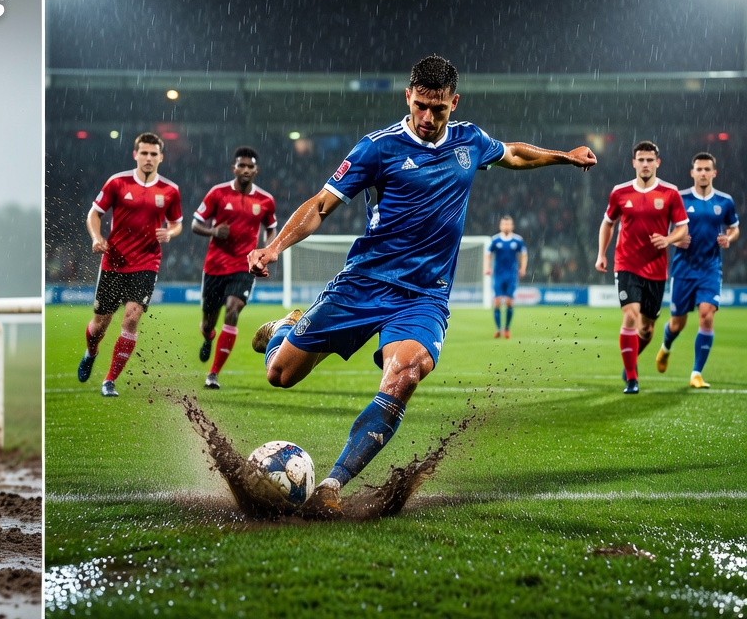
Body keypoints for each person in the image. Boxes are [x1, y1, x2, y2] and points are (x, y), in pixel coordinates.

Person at [246, 55, 596, 517]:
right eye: (421, 106)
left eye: (439, 109)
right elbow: (321, 205)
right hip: (364, 283)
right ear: (408, 96)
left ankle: (332, 484)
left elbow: (512, 153)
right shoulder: (377, 148)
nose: (428, 118)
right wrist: (274, 247)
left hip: (424, 296)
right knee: (281, 375)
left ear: (455, 102)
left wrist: (564, 156)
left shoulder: (470, 141)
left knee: (406, 373)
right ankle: (284, 329)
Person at [79, 132, 183, 397]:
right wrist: (96, 237)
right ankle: (91, 352)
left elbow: (177, 223)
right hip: (114, 261)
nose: (148, 158)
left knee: (132, 317)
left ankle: (109, 380)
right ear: (135, 155)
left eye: (153, 154)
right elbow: (94, 214)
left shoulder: (170, 190)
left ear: (161, 157)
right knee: (100, 324)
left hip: (147, 262)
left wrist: (170, 233)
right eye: (144, 153)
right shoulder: (117, 183)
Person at [595, 140, 688, 395]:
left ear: (657, 163)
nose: (645, 164)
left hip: (656, 269)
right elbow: (608, 223)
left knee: (646, 328)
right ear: (634, 163)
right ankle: (632, 379)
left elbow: (683, 228)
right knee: (630, 316)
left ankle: (631, 358)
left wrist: (668, 239)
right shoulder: (620, 192)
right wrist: (601, 254)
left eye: (650, 160)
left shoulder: (670, 193)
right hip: (626, 263)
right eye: (641, 160)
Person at [191, 147, 277, 389]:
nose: (246, 170)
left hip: (244, 266)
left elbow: (271, 228)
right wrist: (213, 231)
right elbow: (195, 223)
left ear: (256, 170)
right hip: (215, 266)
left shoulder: (265, 200)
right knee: (208, 323)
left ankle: (213, 374)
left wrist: (268, 249)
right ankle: (208, 336)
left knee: (232, 309)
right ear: (234, 168)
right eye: (242, 165)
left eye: (250, 166)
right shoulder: (217, 193)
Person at [656, 152, 738, 388]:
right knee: (677, 324)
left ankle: (696, 373)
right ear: (692, 173)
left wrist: (729, 238)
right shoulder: (679, 198)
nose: (703, 173)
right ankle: (666, 346)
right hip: (683, 269)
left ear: (714, 173)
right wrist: (675, 238)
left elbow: (734, 227)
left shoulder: (725, 201)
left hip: (711, 268)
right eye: (699, 169)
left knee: (707, 315)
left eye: (707, 169)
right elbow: (664, 227)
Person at [483, 215, 526, 338]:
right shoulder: (495, 240)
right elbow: (488, 254)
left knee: (509, 302)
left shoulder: (518, 240)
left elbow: (523, 254)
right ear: (500, 226)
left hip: (511, 275)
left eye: (508, 224)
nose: (506, 226)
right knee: (496, 301)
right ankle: (498, 329)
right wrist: (487, 268)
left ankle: (506, 328)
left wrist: (523, 268)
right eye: (504, 224)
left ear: (512, 226)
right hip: (498, 275)